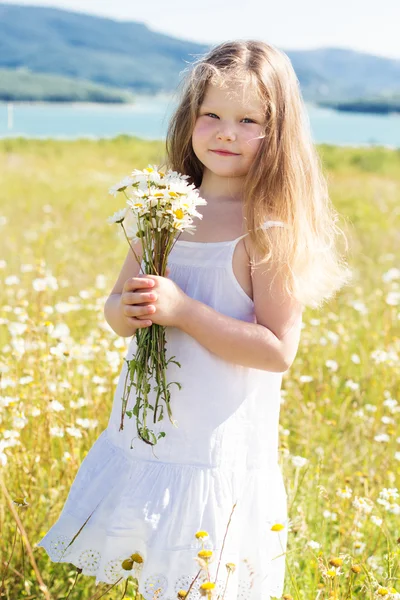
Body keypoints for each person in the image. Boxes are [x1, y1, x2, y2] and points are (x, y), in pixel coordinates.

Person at [36, 40, 350, 599]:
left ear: (277, 134)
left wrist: (185, 312)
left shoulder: (268, 229)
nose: (226, 132)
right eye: (212, 115)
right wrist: (126, 312)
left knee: (205, 580)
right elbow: (115, 308)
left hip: (213, 451)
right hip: (149, 436)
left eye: (248, 120)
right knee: (150, 575)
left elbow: (278, 349)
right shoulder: (163, 212)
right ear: (189, 119)